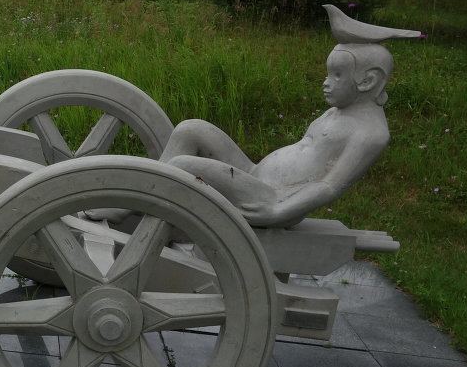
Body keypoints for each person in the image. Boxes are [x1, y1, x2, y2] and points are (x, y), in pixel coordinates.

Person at [94, 42, 395, 229]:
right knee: (191, 128)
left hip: (272, 200)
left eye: (337, 75)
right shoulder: (338, 112)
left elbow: (330, 186)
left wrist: (277, 212)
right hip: (255, 177)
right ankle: (146, 199)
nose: (326, 83)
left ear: (368, 80)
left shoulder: (370, 134)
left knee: (183, 166)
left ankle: (130, 203)